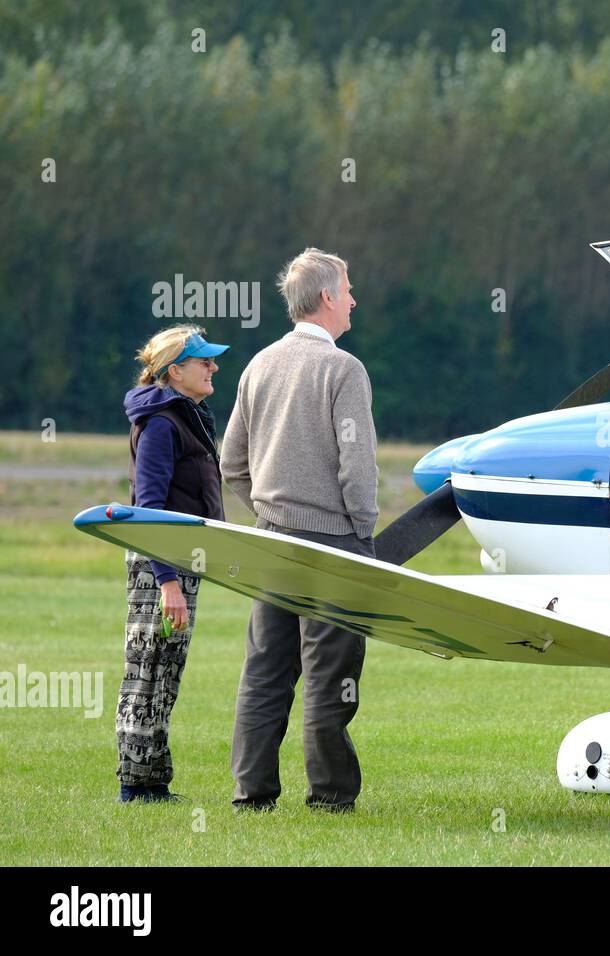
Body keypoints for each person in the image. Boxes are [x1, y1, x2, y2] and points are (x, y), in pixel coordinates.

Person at [222, 247, 378, 812]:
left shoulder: (258, 364)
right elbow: (356, 464)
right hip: (334, 544)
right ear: (328, 298)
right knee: (329, 675)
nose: (354, 299)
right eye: (349, 287)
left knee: (265, 672)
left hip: (270, 540)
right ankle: (331, 795)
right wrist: (362, 530)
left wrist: (268, 510)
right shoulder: (344, 369)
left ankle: (252, 794)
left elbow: (231, 463)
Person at [119, 324, 229, 802]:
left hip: (179, 562)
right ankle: (135, 784)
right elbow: (148, 510)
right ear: (174, 371)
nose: (213, 367)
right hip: (159, 565)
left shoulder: (185, 416)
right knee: (147, 668)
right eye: (203, 360)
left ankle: (152, 781)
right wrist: (167, 583)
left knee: (166, 668)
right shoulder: (162, 424)